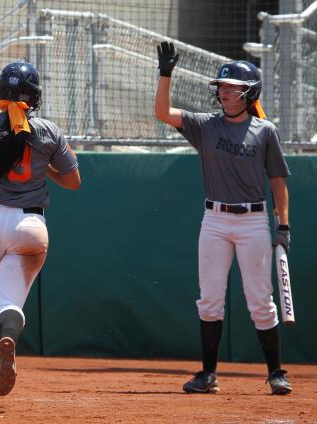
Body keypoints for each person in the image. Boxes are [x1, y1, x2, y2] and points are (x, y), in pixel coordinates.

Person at [154, 41, 292, 395]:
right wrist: (166, 74)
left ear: (249, 94)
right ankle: (208, 374)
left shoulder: (265, 131)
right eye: (222, 87)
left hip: (252, 221)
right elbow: (163, 112)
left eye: (232, 87)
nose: (224, 91)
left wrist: (283, 224)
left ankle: (276, 372)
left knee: (260, 298)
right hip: (214, 219)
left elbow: (278, 180)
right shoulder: (206, 125)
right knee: (210, 297)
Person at [0, 61, 81, 396]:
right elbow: (73, 181)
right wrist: (47, 168)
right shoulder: (49, 130)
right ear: (35, 97)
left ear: (0, 94)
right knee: (8, 301)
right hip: (30, 224)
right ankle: (6, 341)